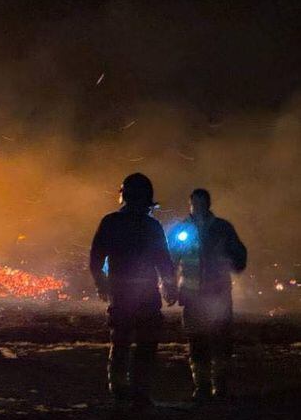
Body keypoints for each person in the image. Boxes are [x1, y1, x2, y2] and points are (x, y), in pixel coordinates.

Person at [90, 173, 177, 405]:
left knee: (121, 342)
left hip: (122, 293)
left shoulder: (110, 222)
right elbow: (163, 261)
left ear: (124, 196)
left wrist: (101, 283)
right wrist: (170, 287)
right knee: (145, 344)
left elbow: (96, 258)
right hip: (146, 294)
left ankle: (119, 389)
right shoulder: (152, 226)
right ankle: (140, 391)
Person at [168, 188, 247, 400]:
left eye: (200, 203)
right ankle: (202, 386)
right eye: (194, 203)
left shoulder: (222, 228)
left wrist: (234, 260)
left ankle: (219, 385)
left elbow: (239, 255)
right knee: (197, 342)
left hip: (218, 294)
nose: (197, 207)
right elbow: (171, 261)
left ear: (208, 204)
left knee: (221, 341)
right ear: (190, 205)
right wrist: (170, 287)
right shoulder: (183, 230)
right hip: (193, 296)